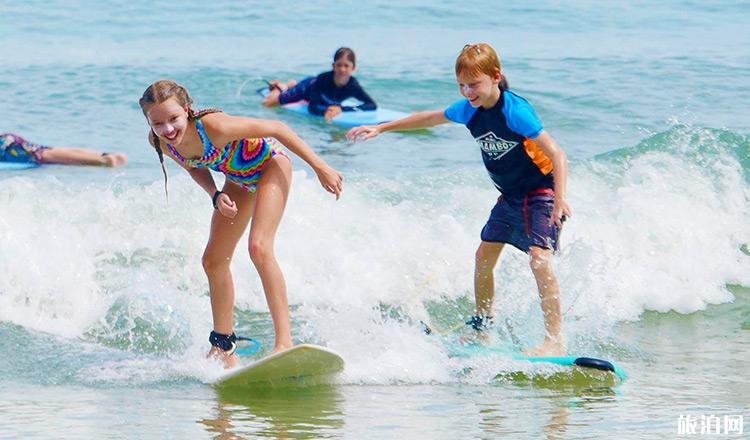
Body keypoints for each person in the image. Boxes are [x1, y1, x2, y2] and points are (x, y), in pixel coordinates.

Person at [347, 43, 572, 357]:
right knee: (483, 258)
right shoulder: (470, 109)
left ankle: (554, 339)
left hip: (540, 193)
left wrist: (560, 199)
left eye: (474, 84)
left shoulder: (515, 111)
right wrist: (383, 127)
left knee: (538, 258)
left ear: (496, 77)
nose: (468, 91)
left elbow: (557, 154)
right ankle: (483, 327)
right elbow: (430, 118)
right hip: (509, 196)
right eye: (462, 85)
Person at [139, 79, 343, 368]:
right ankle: (223, 346)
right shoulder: (160, 141)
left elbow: (278, 128)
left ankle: (284, 342)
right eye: (158, 123)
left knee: (259, 247)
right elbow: (193, 166)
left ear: (186, 110)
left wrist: (321, 167)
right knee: (213, 260)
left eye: (173, 119)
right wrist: (215, 194)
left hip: (270, 164)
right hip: (238, 179)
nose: (168, 129)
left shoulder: (215, 127)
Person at [262, 47, 377, 121]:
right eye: (339, 65)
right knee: (268, 104)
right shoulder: (322, 79)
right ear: (333, 66)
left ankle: (290, 85)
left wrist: (342, 109)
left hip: (324, 100)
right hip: (306, 89)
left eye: (346, 66)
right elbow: (312, 107)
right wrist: (326, 111)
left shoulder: (353, 85)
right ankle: (279, 87)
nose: (342, 69)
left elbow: (371, 104)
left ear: (353, 68)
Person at [1, 132, 127, 167]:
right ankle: (106, 156)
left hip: (5, 147)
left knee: (44, 155)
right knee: (48, 150)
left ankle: (104, 160)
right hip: (7, 140)